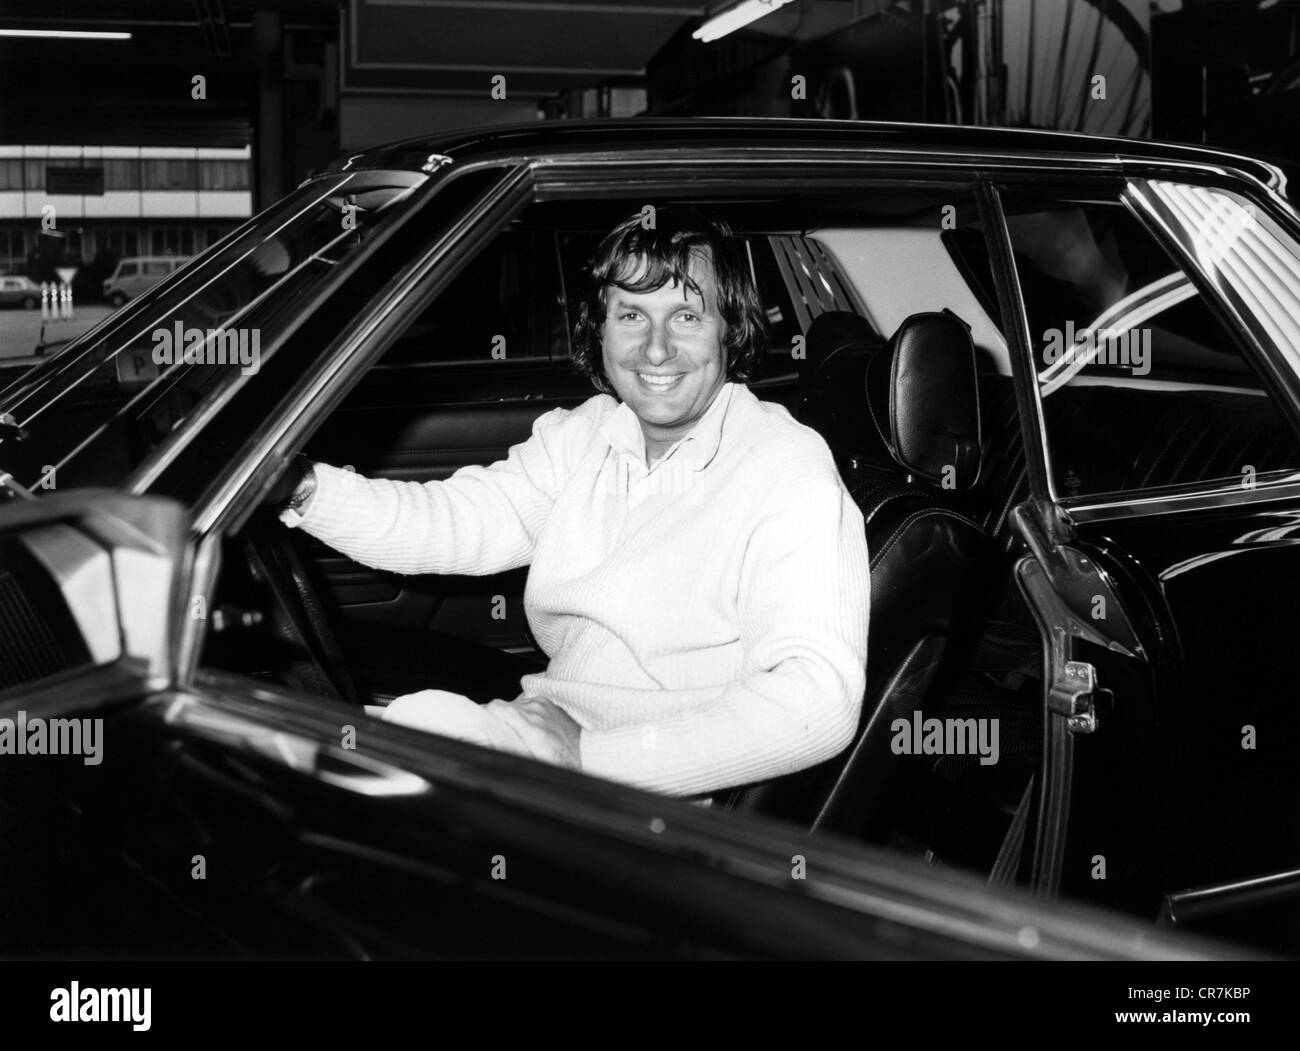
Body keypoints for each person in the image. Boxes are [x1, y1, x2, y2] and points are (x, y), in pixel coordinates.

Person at [277, 207, 870, 799]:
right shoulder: (587, 435)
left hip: (656, 794)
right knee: (304, 744)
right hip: (539, 737)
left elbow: (816, 700)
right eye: (631, 314)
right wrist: (303, 487)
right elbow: (454, 521)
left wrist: (590, 757)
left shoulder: (783, 465)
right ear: (601, 329)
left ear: (729, 329)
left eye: (687, 315)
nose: (655, 349)